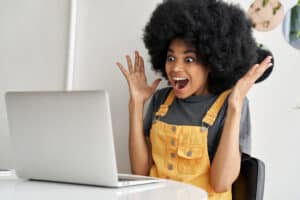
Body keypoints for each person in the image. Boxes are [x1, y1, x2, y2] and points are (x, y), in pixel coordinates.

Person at [116, 0, 272, 199]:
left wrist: (235, 106)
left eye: (188, 59)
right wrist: (136, 104)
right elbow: (140, 172)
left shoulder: (231, 103)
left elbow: (221, 182)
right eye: (171, 58)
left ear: (211, 62)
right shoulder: (161, 101)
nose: (175, 68)